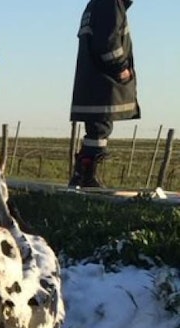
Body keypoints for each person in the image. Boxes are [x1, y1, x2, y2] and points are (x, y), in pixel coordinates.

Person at [69, 0, 140, 188]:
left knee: (97, 131)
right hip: (103, 83)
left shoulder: (96, 4)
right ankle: (86, 177)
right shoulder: (110, 3)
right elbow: (107, 42)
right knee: (100, 129)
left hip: (92, 83)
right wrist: (121, 68)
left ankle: (83, 174)